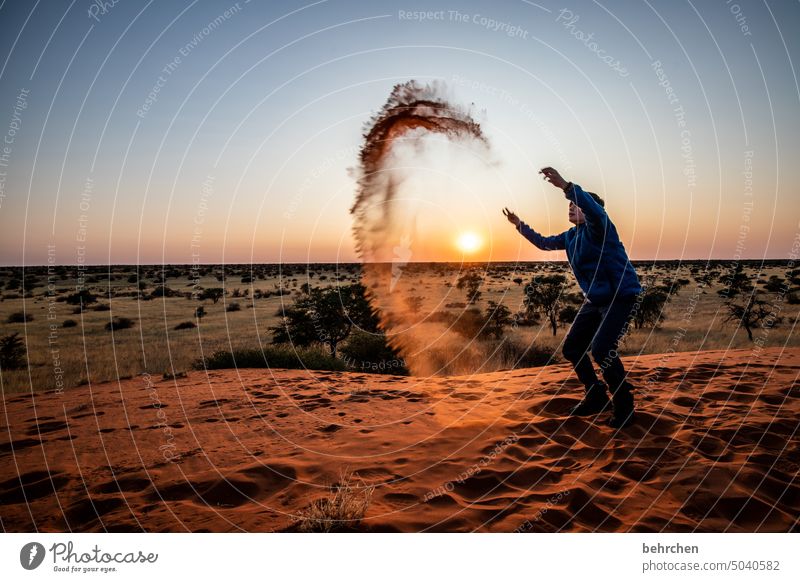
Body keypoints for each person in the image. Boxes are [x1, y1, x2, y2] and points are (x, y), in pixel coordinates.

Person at [503, 167, 642, 429]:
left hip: (621, 297)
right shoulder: (570, 237)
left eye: (575, 205)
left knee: (602, 350)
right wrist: (519, 225)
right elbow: (543, 243)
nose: (570, 208)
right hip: (596, 300)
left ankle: (624, 405)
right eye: (569, 205)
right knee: (573, 348)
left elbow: (593, 210)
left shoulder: (600, 228)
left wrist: (566, 186)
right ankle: (596, 395)